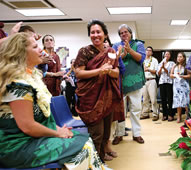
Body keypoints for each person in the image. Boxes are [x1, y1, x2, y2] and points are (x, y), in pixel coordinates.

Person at [0, 32, 106, 169]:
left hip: (30, 138)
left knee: (82, 138)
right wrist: (57, 132)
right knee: (83, 147)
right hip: (17, 146)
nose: (40, 50)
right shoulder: (18, 84)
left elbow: (38, 119)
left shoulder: (30, 78)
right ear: (21, 53)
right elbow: (28, 126)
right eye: (34, 47)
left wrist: (58, 129)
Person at [73, 20, 123, 162]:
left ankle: (101, 155)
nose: (95, 35)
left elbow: (117, 72)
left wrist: (109, 71)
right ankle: (95, 162)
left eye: (98, 32)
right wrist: (99, 71)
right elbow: (79, 73)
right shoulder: (84, 51)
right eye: (92, 32)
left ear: (105, 34)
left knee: (106, 132)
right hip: (91, 98)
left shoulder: (111, 52)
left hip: (107, 95)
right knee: (97, 133)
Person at [112, 24, 146, 145]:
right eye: (121, 33)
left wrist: (130, 50)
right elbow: (113, 60)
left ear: (131, 33)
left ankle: (136, 134)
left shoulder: (139, 44)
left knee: (136, 109)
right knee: (120, 111)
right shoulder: (116, 45)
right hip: (120, 83)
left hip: (135, 83)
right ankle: (119, 134)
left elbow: (141, 59)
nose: (123, 34)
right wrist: (123, 54)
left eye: (125, 32)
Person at [170, 52, 191, 123]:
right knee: (178, 101)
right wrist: (175, 75)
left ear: (184, 58)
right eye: (178, 57)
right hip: (176, 86)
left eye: (180, 57)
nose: (179, 58)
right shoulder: (174, 66)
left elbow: (189, 76)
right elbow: (171, 75)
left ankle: (188, 116)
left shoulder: (186, 66)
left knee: (185, 101)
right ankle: (179, 117)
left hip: (184, 85)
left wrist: (182, 76)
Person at [141, 46, 159, 121]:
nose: (148, 51)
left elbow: (156, 71)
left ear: (152, 52)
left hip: (152, 80)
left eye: (150, 50)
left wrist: (148, 69)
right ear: (145, 51)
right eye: (147, 50)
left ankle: (155, 114)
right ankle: (145, 113)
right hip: (144, 81)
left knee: (153, 99)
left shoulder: (154, 60)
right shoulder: (142, 60)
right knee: (145, 98)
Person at [157, 51, 176, 121]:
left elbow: (169, 73)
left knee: (170, 99)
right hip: (162, 82)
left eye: (168, 54)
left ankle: (171, 114)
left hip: (169, 82)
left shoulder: (172, 63)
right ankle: (164, 115)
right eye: (166, 54)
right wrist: (161, 67)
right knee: (163, 99)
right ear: (164, 55)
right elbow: (158, 74)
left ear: (170, 56)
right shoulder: (160, 63)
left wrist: (164, 67)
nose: (167, 55)